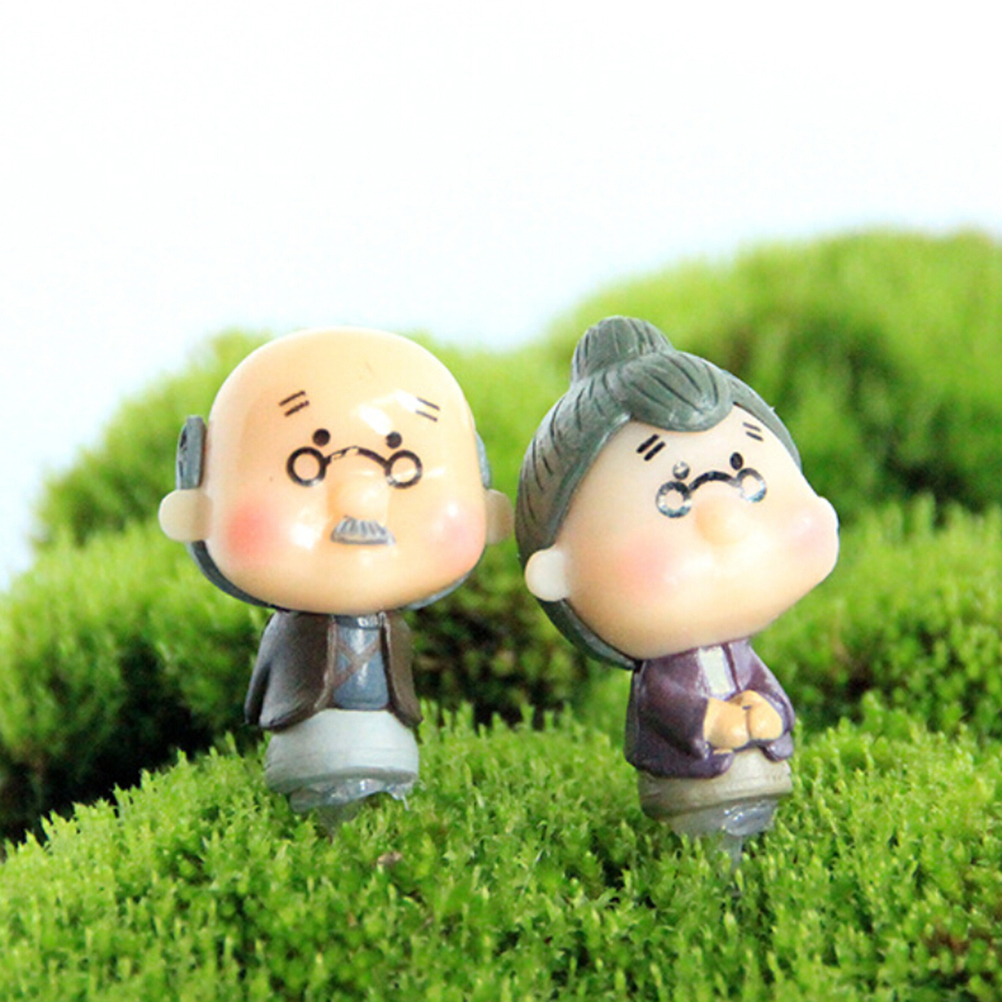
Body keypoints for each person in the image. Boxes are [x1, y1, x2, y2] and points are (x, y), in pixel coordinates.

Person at [160, 326, 512, 818]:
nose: (361, 497)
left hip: (386, 731)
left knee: (386, 788)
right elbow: (265, 682)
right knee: (314, 786)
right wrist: (265, 708)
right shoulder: (290, 628)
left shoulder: (389, 625)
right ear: (196, 503)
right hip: (307, 728)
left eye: (403, 468)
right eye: (306, 465)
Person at [516, 317, 838, 845]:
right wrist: (709, 722)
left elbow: (765, 689)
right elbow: (665, 707)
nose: (725, 519)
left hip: (757, 772)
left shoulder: (741, 657)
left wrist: (768, 710)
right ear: (556, 572)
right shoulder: (664, 672)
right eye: (673, 499)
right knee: (706, 849)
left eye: (748, 483)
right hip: (690, 783)